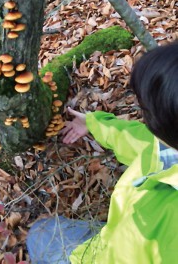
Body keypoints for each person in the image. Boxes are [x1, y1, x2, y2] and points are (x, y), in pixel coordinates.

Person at [27, 41, 178, 263]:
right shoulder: (165, 147)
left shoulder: (168, 228)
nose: (143, 118)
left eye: (145, 110)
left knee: (37, 235)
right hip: (109, 237)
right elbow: (136, 140)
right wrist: (93, 123)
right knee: (42, 229)